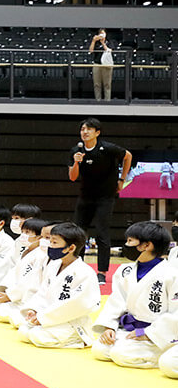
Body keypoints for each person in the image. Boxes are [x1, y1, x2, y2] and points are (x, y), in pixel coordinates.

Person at [92, 221, 178, 368]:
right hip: (131, 328)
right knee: (99, 349)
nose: (126, 245)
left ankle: (164, 349)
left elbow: (176, 311)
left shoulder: (172, 274)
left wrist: (149, 333)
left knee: (120, 354)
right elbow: (116, 300)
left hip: (157, 332)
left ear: (147, 245)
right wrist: (110, 326)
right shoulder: (125, 270)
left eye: (130, 241)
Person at [69, 117, 132, 284]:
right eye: (82, 129)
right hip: (85, 197)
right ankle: (77, 268)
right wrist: (76, 163)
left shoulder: (108, 148)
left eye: (89, 129)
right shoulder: (76, 150)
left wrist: (122, 179)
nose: (85, 132)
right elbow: (72, 177)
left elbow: (128, 156)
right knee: (77, 233)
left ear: (97, 132)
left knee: (101, 233)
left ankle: (102, 272)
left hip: (105, 197)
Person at [20, 222, 101, 348]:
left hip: (72, 322)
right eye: (50, 242)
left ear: (71, 248)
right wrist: (34, 310)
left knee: (37, 336)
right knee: (23, 330)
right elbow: (43, 293)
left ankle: (78, 339)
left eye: (54, 242)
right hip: (49, 317)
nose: (50, 246)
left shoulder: (85, 272)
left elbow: (79, 304)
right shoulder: (54, 265)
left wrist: (43, 317)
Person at [0, 219, 50, 326]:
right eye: (22, 232)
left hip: (29, 298)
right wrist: (6, 292)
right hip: (18, 295)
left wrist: (10, 296)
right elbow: (14, 274)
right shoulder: (27, 251)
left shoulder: (41, 255)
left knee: (13, 318)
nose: (23, 235)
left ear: (38, 237)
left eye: (27, 232)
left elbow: (31, 282)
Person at [89, 28, 113, 101]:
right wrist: (93, 41)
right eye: (100, 34)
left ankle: (107, 100)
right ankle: (98, 100)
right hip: (97, 64)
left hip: (106, 65)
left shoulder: (109, 42)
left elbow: (109, 51)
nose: (102, 35)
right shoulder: (96, 43)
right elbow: (91, 50)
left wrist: (103, 43)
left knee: (107, 84)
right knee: (97, 84)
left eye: (103, 34)